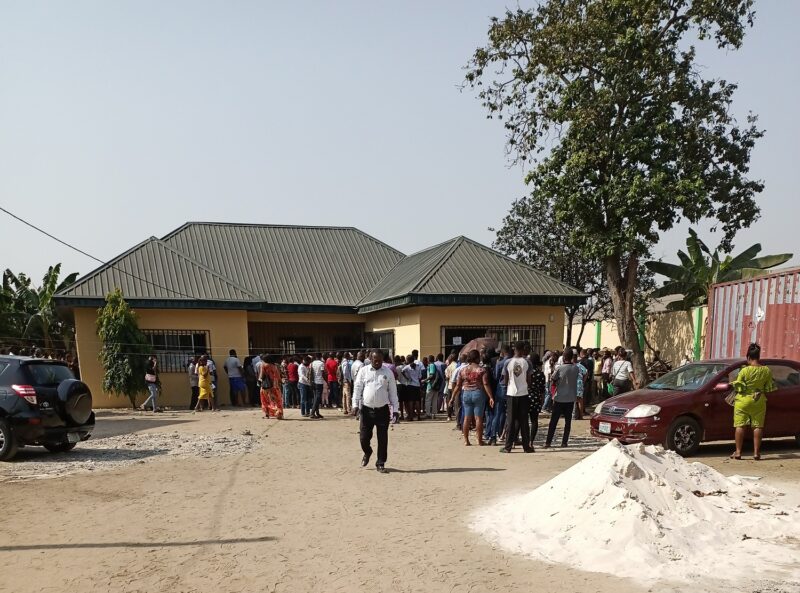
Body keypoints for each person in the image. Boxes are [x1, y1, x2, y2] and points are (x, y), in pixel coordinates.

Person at [352, 350, 399, 474]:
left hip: (382, 410)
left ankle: (380, 463)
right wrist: (355, 404)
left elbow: (393, 392)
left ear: (382, 360)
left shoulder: (388, 372)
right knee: (363, 437)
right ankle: (367, 452)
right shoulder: (364, 371)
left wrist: (395, 409)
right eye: (374, 360)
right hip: (366, 410)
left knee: (382, 438)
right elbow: (357, 388)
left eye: (379, 360)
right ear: (370, 359)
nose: (377, 362)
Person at [730, 343, 775, 460]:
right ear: (759, 357)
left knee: (740, 426)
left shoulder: (744, 371)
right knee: (757, 426)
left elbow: (738, 386)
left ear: (748, 357)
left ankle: (738, 452)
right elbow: (769, 388)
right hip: (758, 400)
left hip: (742, 401)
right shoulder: (766, 370)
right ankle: (756, 453)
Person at [452, 349, 494, 446]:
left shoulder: (462, 370)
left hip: (466, 393)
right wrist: (491, 396)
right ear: (476, 358)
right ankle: (479, 440)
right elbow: (486, 383)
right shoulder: (481, 370)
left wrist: (452, 397)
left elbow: (458, 385)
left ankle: (466, 440)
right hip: (478, 394)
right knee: (478, 418)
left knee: (467, 418)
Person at [500, 343, 534, 453]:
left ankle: (508, 447)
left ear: (514, 350)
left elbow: (505, 380)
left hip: (511, 394)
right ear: (523, 349)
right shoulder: (527, 362)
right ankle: (526, 447)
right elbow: (529, 379)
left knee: (510, 421)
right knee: (524, 421)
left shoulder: (507, 362)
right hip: (523, 394)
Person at [545, 349, 579, 448]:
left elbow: (553, 379)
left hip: (559, 397)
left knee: (553, 422)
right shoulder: (576, 368)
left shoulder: (560, 368)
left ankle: (548, 442)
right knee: (568, 422)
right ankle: (564, 442)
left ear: (563, 357)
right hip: (571, 397)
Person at [487, 345, 510, 446]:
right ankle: (506, 435)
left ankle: (493, 437)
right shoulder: (513, 362)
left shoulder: (500, 363)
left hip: (501, 389)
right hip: (512, 390)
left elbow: (496, 377)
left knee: (497, 413)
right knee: (509, 414)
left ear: (503, 352)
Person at [528, 353, 545, 449]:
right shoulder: (540, 374)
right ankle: (531, 441)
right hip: (536, 398)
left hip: (525, 397)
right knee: (534, 420)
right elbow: (542, 390)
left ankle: (516, 440)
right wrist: (542, 400)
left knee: (522, 420)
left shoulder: (527, 372)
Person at [258, 355, 284, 419]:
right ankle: (279, 414)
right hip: (275, 385)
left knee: (265, 400)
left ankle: (267, 414)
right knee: (277, 400)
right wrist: (281, 381)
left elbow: (261, 375)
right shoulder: (275, 366)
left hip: (266, 386)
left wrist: (259, 381)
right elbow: (278, 376)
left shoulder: (263, 365)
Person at [310, 353, 326, 419]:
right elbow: (323, 373)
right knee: (317, 398)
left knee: (315, 397)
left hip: (313, 382)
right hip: (319, 382)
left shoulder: (312, 363)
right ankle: (312, 412)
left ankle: (317, 413)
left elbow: (311, 372)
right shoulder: (321, 363)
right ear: (320, 357)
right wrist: (326, 380)